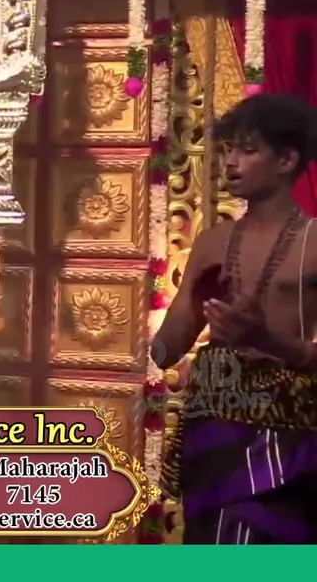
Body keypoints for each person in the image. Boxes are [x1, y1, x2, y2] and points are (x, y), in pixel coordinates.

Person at [153, 94, 317, 544]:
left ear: (286, 160)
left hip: (286, 437)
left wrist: (268, 339)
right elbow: (165, 350)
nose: (230, 162)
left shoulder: (313, 242)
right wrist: (187, 313)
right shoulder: (212, 241)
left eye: (247, 150)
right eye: (227, 150)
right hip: (213, 429)